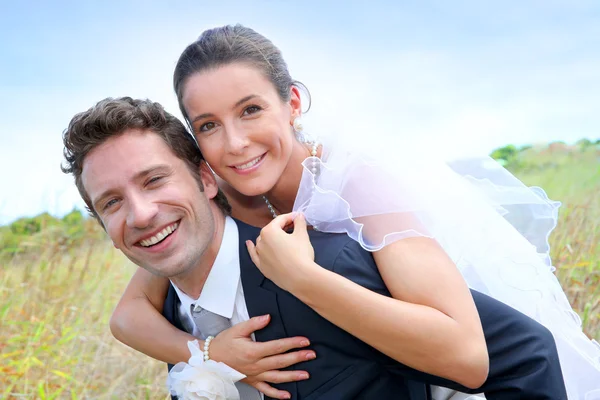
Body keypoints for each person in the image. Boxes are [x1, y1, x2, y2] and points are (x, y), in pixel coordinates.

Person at [100, 24, 600, 398]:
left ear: (293, 102)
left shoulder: (357, 185)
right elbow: (127, 316)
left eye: (251, 110)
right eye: (208, 125)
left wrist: (305, 280)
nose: (234, 144)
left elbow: (470, 355)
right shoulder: (223, 198)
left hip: (470, 351)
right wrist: (208, 354)